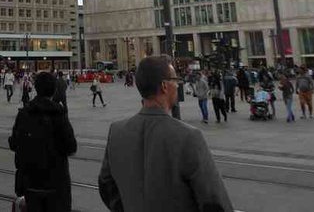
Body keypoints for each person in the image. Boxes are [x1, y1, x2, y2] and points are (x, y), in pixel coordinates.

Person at [98, 55, 233, 211]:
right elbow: (215, 202)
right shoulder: (188, 137)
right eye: (175, 80)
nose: (177, 85)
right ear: (164, 86)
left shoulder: (116, 132)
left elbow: (106, 186)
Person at [9, 71, 77, 211]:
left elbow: (13, 143)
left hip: (31, 183)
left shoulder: (24, 114)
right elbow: (71, 147)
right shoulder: (59, 114)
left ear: (36, 88)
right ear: (53, 90)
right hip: (56, 184)